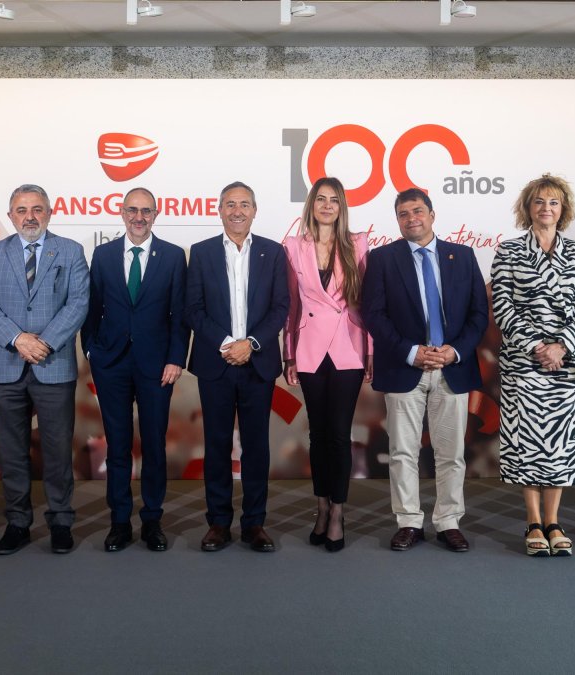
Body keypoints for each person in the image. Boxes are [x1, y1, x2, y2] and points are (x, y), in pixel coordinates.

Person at [361, 188, 488, 553]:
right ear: (397, 220)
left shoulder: (462, 256)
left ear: (432, 214)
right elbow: (374, 315)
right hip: (405, 369)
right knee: (403, 452)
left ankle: (448, 521)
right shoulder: (382, 259)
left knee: (451, 452)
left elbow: (479, 314)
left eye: (417, 211)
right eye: (403, 213)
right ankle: (409, 521)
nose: (411, 218)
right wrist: (412, 352)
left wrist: (455, 351)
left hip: (452, 368)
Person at [0, 184, 89, 555]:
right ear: (10, 216)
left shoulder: (70, 251)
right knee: (11, 449)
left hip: (53, 363)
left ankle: (60, 521)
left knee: (57, 448)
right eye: (22, 210)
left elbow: (78, 303)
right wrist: (18, 339)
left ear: (50, 212)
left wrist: (45, 342)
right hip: (6, 364)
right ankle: (18, 522)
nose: (30, 216)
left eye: (37, 209)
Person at [490, 174, 575, 557]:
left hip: (566, 365)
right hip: (525, 362)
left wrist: (563, 346)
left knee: (561, 445)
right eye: (539, 202)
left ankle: (554, 521)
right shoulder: (508, 252)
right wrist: (539, 346)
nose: (546, 208)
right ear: (527, 208)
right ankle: (533, 521)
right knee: (529, 444)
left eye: (553, 202)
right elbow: (502, 307)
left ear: (563, 209)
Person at [81, 187, 188, 553]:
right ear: (122, 213)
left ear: (155, 214)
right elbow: (92, 308)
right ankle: (120, 521)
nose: (138, 217)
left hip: (158, 366)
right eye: (132, 210)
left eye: (146, 211)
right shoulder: (104, 254)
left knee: (155, 444)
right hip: (111, 364)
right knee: (118, 445)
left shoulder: (173, 257)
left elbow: (179, 316)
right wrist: (91, 350)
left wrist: (176, 358)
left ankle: (153, 520)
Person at [185, 181, 289, 553]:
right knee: (216, 446)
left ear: (255, 210)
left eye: (244, 204)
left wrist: (252, 344)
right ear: (219, 209)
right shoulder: (200, 253)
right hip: (216, 363)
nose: (237, 211)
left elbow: (281, 307)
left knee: (256, 447)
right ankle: (218, 523)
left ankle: (254, 523)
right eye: (230, 204)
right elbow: (193, 308)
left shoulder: (274, 253)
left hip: (257, 363)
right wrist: (228, 344)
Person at [282, 177, 372, 553]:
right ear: (311, 204)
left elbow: (366, 305)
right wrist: (287, 353)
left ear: (342, 206)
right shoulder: (292, 246)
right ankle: (320, 508)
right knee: (317, 435)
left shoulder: (358, 244)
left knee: (338, 433)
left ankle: (337, 512)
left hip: (348, 350)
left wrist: (370, 354)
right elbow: (290, 305)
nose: (327, 205)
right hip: (309, 348)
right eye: (320, 199)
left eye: (334, 200)